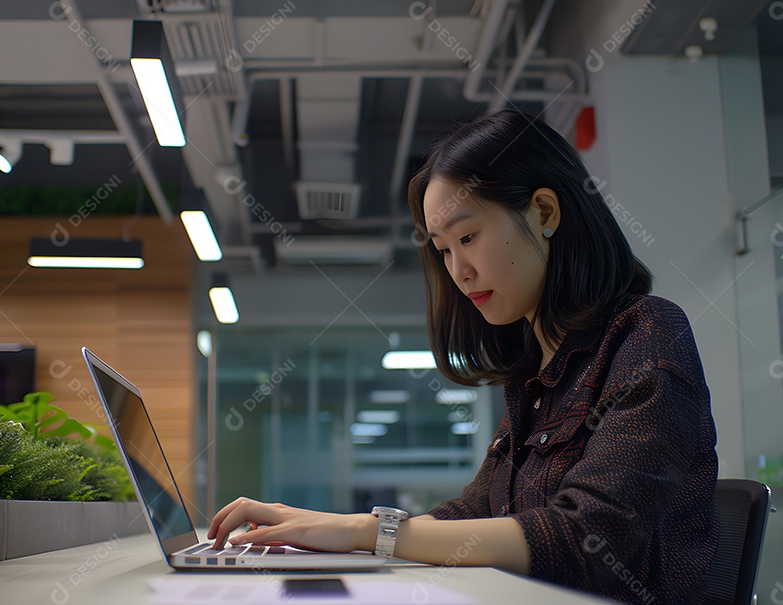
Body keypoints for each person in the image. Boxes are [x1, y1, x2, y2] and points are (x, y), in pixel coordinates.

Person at [208, 110, 720, 604]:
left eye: (468, 237)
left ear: (544, 212)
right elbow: (471, 513)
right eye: (443, 249)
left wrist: (363, 532)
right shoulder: (533, 374)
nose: (459, 270)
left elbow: (584, 537)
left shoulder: (647, 332)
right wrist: (319, 525)